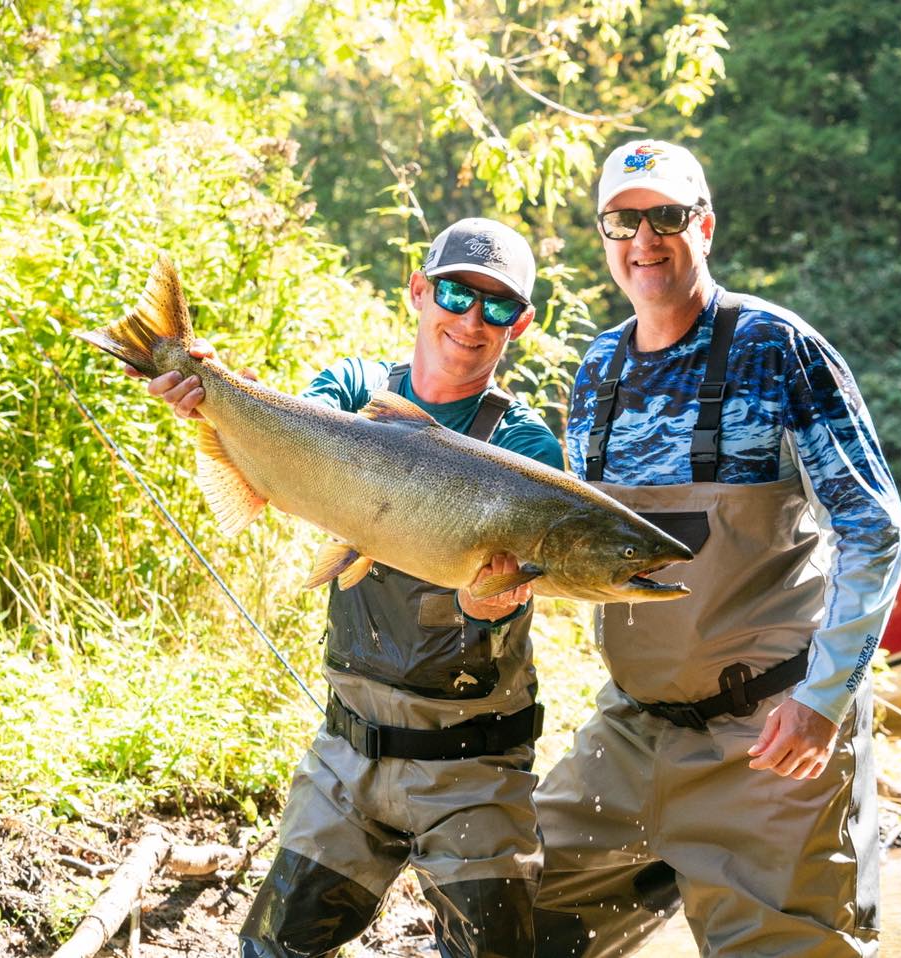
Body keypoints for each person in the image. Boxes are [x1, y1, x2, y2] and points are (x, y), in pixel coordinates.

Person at [135, 218, 564, 958]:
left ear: (520, 324)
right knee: (272, 952)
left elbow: (506, 594)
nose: (471, 320)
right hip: (347, 755)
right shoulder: (354, 389)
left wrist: (482, 604)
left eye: (497, 307)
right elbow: (296, 442)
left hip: (474, 769)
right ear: (420, 291)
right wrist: (209, 387)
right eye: (458, 294)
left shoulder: (525, 451)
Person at [531, 141, 901, 957]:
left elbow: (874, 527)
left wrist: (824, 699)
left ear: (703, 224)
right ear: (604, 235)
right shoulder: (596, 368)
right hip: (631, 735)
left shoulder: (777, 347)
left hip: (774, 734)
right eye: (622, 220)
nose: (644, 239)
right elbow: (583, 555)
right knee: (508, 910)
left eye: (665, 216)